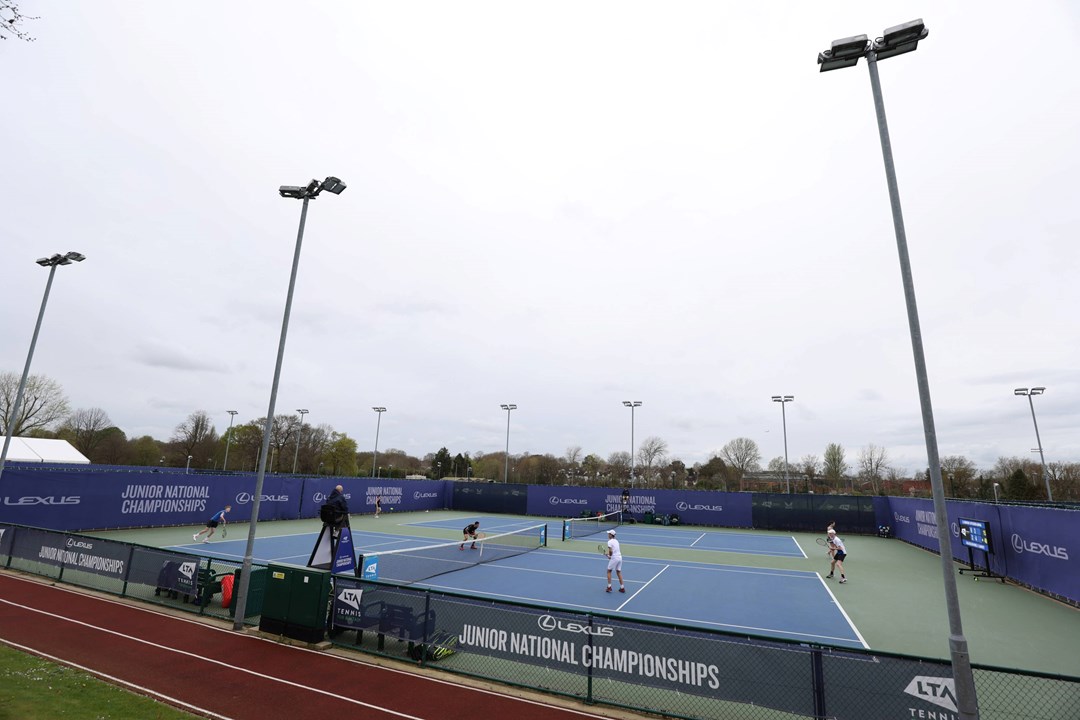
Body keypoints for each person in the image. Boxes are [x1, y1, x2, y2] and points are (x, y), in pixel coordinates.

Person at [605, 528, 625, 593]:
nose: (608, 535)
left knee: (609, 571)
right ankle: (622, 588)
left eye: (609, 534)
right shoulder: (616, 541)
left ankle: (609, 587)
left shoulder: (609, 542)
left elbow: (611, 551)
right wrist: (610, 555)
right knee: (618, 572)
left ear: (611, 535)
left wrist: (609, 556)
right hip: (620, 558)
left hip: (615, 558)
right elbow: (614, 551)